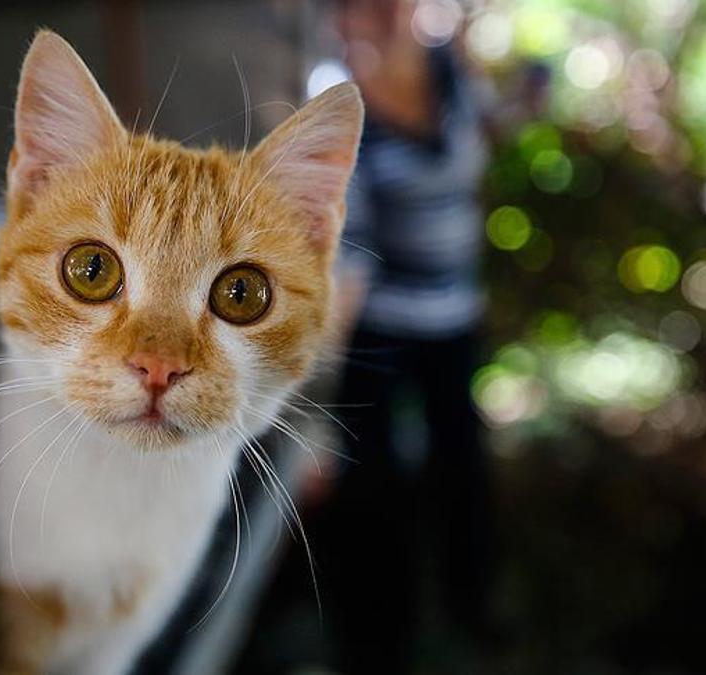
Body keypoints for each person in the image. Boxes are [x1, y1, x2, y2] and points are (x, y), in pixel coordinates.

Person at [319, 0, 495, 671]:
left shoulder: (455, 72)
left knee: (463, 465)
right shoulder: (345, 106)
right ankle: (376, 641)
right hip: (385, 327)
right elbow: (352, 248)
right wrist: (318, 373)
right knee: (373, 486)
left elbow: (489, 132)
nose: (375, 15)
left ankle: (470, 610)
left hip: (456, 315)